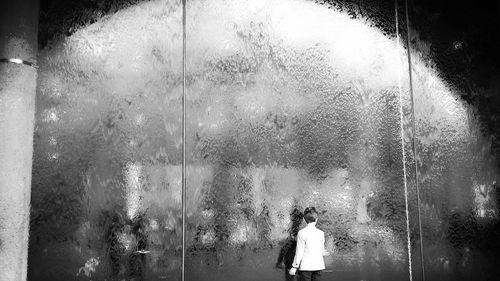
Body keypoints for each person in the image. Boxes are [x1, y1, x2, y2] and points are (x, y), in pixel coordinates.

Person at [288, 207, 326, 281]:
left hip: (306, 267)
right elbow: (322, 249)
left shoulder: (301, 233)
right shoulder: (321, 233)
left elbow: (299, 251)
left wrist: (294, 267)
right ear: (317, 219)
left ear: (305, 220)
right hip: (319, 265)